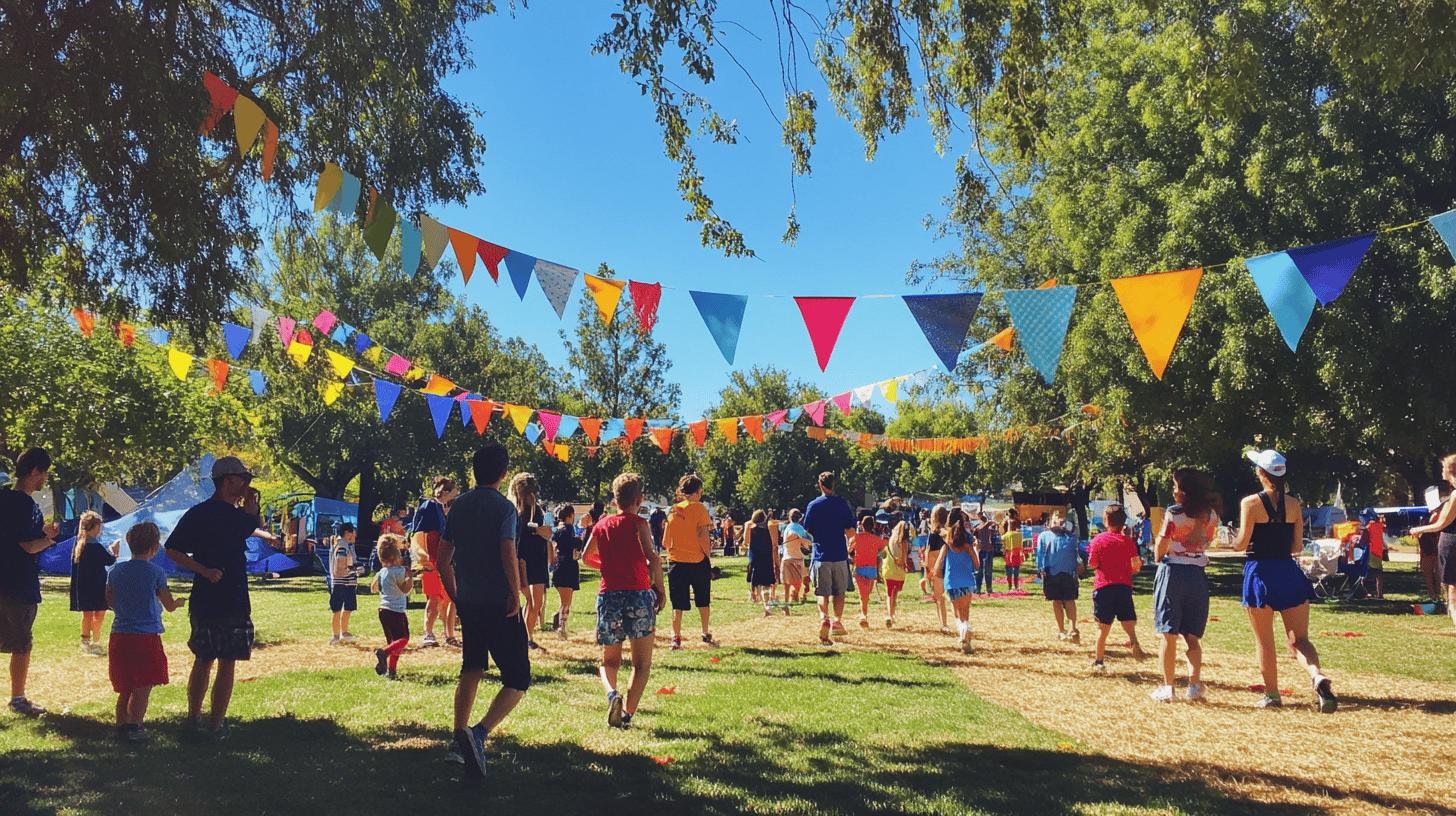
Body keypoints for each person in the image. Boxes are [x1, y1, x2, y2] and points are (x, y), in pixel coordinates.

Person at [439, 442, 529, 780]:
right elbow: (507, 551)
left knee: (472, 667)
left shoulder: (458, 506)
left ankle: (456, 739)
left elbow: (442, 560)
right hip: (499, 603)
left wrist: (456, 597)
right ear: (503, 472)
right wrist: (515, 592)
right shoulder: (505, 509)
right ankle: (477, 734)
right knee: (518, 677)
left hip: (471, 603)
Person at [164, 455, 263, 738]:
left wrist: (202, 570)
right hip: (229, 595)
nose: (246, 484)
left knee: (204, 658)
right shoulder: (232, 517)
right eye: (243, 479)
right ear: (227, 481)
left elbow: (172, 550)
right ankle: (215, 724)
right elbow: (174, 550)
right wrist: (206, 570)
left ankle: (195, 719)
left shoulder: (199, 513)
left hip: (206, 596)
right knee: (224, 660)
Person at [1233, 449, 1336, 712]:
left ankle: (1272, 694)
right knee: (1300, 639)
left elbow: (1242, 543)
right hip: (1288, 572)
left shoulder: (1250, 503)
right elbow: (1296, 547)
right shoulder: (1294, 504)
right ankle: (1316, 674)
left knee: (1264, 642)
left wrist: (1231, 541)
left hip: (1259, 572)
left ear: (1260, 472)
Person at [581, 473, 665, 729]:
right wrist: (660, 590)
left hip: (609, 596)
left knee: (609, 661)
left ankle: (611, 694)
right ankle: (627, 714)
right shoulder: (639, 524)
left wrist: (606, 565)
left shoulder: (602, 525)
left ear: (614, 498)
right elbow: (653, 558)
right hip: (638, 594)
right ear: (639, 499)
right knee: (641, 664)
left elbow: (586, 557)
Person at [106, 522, 185, 742]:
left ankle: (121, 725)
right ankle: (135, 726)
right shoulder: (156, 572)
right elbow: (168, 604)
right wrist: (178, 603)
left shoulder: (116, 570)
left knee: (125, 685)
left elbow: (109, 599)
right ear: (155, 546)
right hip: (146, 636)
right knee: (143, 686)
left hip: (120, 634)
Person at [1149, 468, 1217, 703]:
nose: (1173, 490)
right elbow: (1208, 539)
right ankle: (1194, 684)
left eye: (1176, 486)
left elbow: (1162, 545)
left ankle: (1168, 687)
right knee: (1192, 636)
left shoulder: (1173, 513)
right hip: (1197, 576)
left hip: (1172, 573)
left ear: (1184, 492)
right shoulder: (1211, 516)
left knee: (1168, 634)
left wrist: (1158, 552)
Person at [0, 448, 59, 718]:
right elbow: (27, 546)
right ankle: (18, 698)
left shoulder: (4, 497)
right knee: (22, 643)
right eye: (44, 472)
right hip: (17, 583)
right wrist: (49, 539)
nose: (44, 478)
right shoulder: (23, 504)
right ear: (34, 471)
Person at [1087, 503, 1146, 672]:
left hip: (1104, 586)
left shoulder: (1097, 540)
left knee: (1102, 627)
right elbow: (1136, 565)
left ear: (1106, 520)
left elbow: (1092, 563)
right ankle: (1133, 640)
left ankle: (1099, 661)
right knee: (1127, 619)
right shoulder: (1128, 542)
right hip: (1123, 586)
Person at [662, 475, 716, 650]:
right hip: (697, 561)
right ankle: (705, 632)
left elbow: (665, 542)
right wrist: (707, 555)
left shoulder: (673, 511)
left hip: (676, 563)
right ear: (698, 491)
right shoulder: (699, 508)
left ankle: (675, 637)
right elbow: (703, 535)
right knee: (703, 600)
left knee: (677, 604)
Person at [804, 471, 856, 645]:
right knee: (839, 592)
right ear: (834, 484)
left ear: (820, 484)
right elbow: (850, 531)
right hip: (839, 555)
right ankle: (837, 621)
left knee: (822, 592)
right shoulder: (842, 504)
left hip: (820, 555)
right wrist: (851, 546)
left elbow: (808, 530)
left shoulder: (813, 505)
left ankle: (824, 617)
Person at [1410, 453, 1456, 629]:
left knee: (1452, 587)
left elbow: (1441, 524)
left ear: (1451, 470)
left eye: (1444, 468)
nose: (1442, 472)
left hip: (1452, 542)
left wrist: (1418, 529)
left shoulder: (1454, 496)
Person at [412, 477, 459, 648]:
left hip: (443, 560)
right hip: (432, 559)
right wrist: (423, 557)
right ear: (445, 492)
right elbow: (420, 534)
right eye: (453, 492)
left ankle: (449, 634)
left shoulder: (441, 509)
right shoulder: (430, 506)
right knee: (434, 597)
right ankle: (428, 633)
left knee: (448, 597)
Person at [509, 473, 554, 650]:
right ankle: (522, 637)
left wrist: (541, 532)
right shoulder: (514, 512)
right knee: (526, 599)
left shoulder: (540, 511)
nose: (531, 496)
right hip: (522, 560)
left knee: (537, 602)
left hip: (538, 558)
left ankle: (528, 636)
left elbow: (548, 534)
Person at [70, 510, 117, 656]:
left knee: (89, 614)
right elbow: (109, 560)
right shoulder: (92, 545)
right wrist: (113, 551)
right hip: (96, 584)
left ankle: (89, 642)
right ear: (93, 526)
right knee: (97, 613)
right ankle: (93, 641)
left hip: (85, 585)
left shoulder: (80, 545)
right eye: (99, 526)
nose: (100, 529)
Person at [934, 508, 981, 654]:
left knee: (956, 611)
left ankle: (963, 635)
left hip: (951, 582)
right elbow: (977, 564)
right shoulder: (968, 547)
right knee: (965, 610)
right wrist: (976, 550)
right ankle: (966, 632)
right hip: (967, 580)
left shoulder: (946, 546)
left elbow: (937, 567)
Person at [1036, 513, 1084, 644]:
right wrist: (1040, 569)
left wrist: (1080, 565)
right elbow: (1040, 553)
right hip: (1051, 573)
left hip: (1068, 573)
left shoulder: (1071, 537)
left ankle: (1073, 628)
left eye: (1062, 521)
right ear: (1050, 522)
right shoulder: (1044, 536)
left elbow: (1079, 553)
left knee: (1069, 601)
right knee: (1056, 601)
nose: (1059, 524)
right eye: (1056, 521)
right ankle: (1061, 630)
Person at [370, 534, 412, 680]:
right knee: (403, 639)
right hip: (396, 611)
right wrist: (410, 576)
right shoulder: (399, 571)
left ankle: (391, 670)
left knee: (393, 643)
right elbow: (405, 589)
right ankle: (384, 653)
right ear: (395, 557)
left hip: (383, 610)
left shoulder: (382, 572)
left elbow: (373, 588)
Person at [550, 505, 583, 639]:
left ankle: (560, 625)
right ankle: (561, 628)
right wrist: (580, 537)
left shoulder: (557, 529)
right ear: (570, 515)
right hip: (567, 567)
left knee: (564, 601)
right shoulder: (568, 529)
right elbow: (573, 544)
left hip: (559, 567)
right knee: (566, 603)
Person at [850, 512, 885, 629]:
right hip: (871, 569)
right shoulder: (876, 539)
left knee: (863, 595)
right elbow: (882, 548)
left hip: (859, 567)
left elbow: (849, 550)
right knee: (866, 595)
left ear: (861, 526)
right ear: (873, 526)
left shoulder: (856, 538)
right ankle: (863, 615)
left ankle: (863, 615)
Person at [328, 522, 359, 645]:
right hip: (341, 583)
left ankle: (344, 632)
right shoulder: (342, 547)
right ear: (347, 533)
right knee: (337, 609)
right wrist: (356, 570)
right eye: (353, 532)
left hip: (349, 583)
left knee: (348, 608)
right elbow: (341, 566)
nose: (355, 534)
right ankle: (335, 636)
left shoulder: (348, 546)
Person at [922, 505, 951, 633]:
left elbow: (930, 553)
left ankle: (943, 624)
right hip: (951, 566)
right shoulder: (950, 532)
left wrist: (928, 571)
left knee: (940, 599)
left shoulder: (933, 534)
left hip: (938, 568)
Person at [744, 510, 777, 613]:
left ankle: (754, 596)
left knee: (754, 578)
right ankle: (766, 604)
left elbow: (746, 541)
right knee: (766, 583)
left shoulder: (750, 527)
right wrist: (776, 560)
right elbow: (774, 544)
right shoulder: (770, 527)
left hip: (755, 556)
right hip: (766, 557)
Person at [881, 521, 911, 628]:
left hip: (888, 570)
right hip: (899, 573)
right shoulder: (904, 543)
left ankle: (889, 615)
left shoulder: (891, 540)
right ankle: (892, 615)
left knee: (888, 594)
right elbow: (903, 560)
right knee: (895, 595)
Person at [780, 509, 812, 606]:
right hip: (797, 559)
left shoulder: (786, 528)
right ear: (800, 518)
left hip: (786, 558)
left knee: (787, 584)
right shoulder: (800, 529)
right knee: (797, 583)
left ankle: (788, 601)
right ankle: (793, 597)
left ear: (789, 517)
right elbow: (806, 542)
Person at [1416, 505, 1442, 605]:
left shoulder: (1438, 516)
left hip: (1434, 549)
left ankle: (1437, 595)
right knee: (1428, 573)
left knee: (1436, 573)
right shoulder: (1425, 517)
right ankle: (1433, 596)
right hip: (1426, 549)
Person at [1359, 509, 1386, 599]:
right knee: (1379, 574)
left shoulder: (1368, 527)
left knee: (1366, 573)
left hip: (1370, 552)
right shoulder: (1379, 526)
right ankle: (1380, 594)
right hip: (1378, 552)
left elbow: (1362, 542)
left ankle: (1365, 593)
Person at [973, 512, 998, 595]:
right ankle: (978, 589)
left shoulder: (989, 528)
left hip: (988, 550)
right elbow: (979, 530)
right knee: (979, 571)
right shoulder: (978, 527)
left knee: (988, 571)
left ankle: (988, 589)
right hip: (981, 551)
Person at [1002, 513, 1024, 592]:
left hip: (1008, 555)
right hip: (1017, 554)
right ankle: (1016, 586)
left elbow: (1002, 541)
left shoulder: (1006, 535)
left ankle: (1009, 586)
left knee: (1009, 571)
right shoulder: (1020, 534)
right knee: (1016, 571)